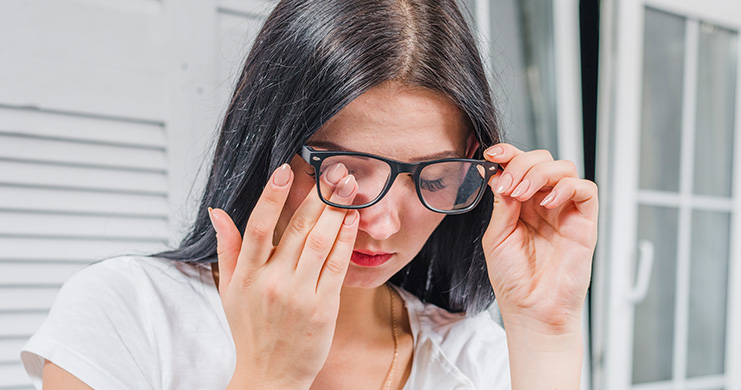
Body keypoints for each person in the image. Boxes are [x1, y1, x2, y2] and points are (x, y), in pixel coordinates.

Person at [20, 0, 598, 389]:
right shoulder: (127, 313)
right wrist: (269, 374)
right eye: (344, 169)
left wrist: (546, 331)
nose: (384, 224)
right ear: (266, 143)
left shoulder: (479, 360)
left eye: (432, 174)